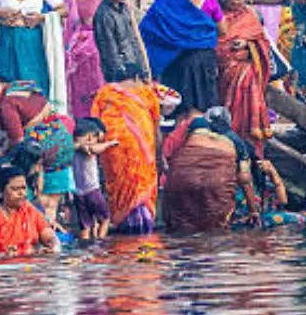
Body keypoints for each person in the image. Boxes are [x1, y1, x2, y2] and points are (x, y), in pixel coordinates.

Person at [0, 69, 75, 222]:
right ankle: (49, 234)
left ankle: (38, 234)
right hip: (63, 141)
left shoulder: (6, 105)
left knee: (31, 200)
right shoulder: (21, 85)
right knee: (51, 204)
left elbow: (17, 140)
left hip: (39, 149)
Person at [140, 0, 221, 114]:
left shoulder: (165, 2)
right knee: (205, 104)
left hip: (178, 61)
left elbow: (147, 31)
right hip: (205, 60)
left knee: (181, 107)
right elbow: (223, 29)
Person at [90, 64, 162, 233]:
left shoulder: (104, 93)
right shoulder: (146, 92)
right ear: (137, 77)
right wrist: (160, 156)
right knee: (142, 185)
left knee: (120, 185)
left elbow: (95, 124)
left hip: (114, 149)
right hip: (143, 151)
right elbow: (156, 126)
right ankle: (144, 228)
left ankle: (124, 226)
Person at [215, 0, 272, 157]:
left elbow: (262, 41)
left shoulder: (249, 15)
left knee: (247, 75)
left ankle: (250, 138)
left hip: (245, 66)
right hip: (223, 71)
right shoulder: (215, 14)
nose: (240, 2)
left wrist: (247, 44)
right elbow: (214, 44)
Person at [163, 117, 239, 233]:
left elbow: (167, 164)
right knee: (215, 228)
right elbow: (245, 178)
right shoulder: (230, 142)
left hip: (183, 181)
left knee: (181, 226)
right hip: (218, 184)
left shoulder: (184, 142)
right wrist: (253, 210)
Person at [0, 165, 58, 258]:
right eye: (15, 189)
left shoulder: (30, 211)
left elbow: (49, 237)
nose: (22, 193)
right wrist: (4, 256)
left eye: (23, 188)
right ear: (1, 192)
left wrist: (52, 247)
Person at [64, 0, 106, 121]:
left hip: (77, 43)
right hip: (96, 42)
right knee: (97, 87)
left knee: (79, 90)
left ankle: (81, 124)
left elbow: (66, 19)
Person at [93, 0, 149, 83]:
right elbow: (110, 52)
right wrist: (123, 78)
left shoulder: (124, 9)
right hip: (119, 76)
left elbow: (134, 41)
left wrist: (144, 70)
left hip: (133, 69)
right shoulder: (104, 15)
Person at [72, 117, 117, 241]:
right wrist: (110, 144)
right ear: (90, 137)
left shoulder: (73, 148)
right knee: (105, 218)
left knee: (85, 225)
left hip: (78, 193)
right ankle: (101, 241)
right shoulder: (86, 148)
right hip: (92, 190)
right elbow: (94, 149)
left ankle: (85, 244)